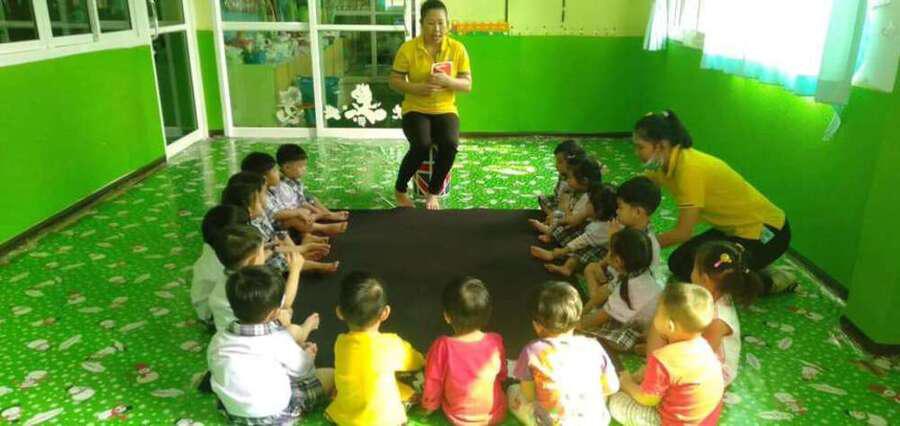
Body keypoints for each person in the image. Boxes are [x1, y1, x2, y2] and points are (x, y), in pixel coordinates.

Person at [634, 110, 795, 292]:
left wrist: (641, 247)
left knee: (711, 278)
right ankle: (748, 263)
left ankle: (771, 280)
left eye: (640, 147)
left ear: (661, 146)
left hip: (768, 232)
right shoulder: (665, 163)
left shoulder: (689, 170)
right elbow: (638, 189)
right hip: (732, 230)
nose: (636, 153)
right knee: (680, 263)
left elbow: (683, 233)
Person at [207, 265, 333, 424]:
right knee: (330, 375)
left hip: (232, 412)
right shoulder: (279, 339)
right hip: (274, 415)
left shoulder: (218, 339)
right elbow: (305, 371)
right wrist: (308, 357)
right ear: (274, 313)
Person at [390, 0, 472, 210]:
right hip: (415, 109)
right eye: (431, 23)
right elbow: (394, 81)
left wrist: (448, 81)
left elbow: (467, 84)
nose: (437, 29)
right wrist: (417, 88)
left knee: (450, 144)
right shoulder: (408, 49)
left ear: (448, 24)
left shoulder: (457, 49)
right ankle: (400, 189)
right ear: (421, 23)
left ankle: (433, 193)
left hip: (445, 109)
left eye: (441, 23)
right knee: (421, 144)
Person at [609, 283, 725, 426]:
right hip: (705, 422)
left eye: (657, 313)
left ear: (670, 326)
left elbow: (648, 399)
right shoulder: (704, 347)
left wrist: (626, 383)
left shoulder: (663, 358)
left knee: (615, 401)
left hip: (673, 423)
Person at [508, 281, 619, 425]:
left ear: (537, 326)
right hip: (596, 421)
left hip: (554, 422)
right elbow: (612, 387)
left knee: (513, 391)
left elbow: (528, 395)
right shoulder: (594, 346)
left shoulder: (532, 351)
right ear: (578, 318)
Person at [326, 272, 425, 425]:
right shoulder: (390, 344)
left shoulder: (340, 343)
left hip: (346, 419)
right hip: (385, 421)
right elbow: (417, 362)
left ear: (340, 313)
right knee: (418, 378)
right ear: (385, 313)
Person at [422, 277, 507, 425]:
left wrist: (428, 407)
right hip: (495, 415)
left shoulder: (442, 346)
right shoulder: (495, 341)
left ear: (447, 316)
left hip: (460, 419)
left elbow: (433, 382)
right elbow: (502, 374)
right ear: (488, 313)